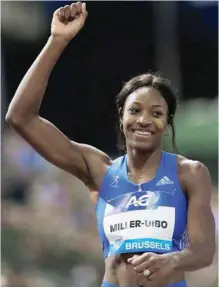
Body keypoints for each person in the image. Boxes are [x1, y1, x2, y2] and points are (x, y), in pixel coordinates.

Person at [5, 2, 215, 287]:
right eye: (135, 110)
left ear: (167, 123)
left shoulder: (188, 173)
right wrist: (57, 41)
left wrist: (172, 260)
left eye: (156, 113)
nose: (144, 120)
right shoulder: (99, 170)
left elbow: (203, 251)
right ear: (121, 117)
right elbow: (20, 117)